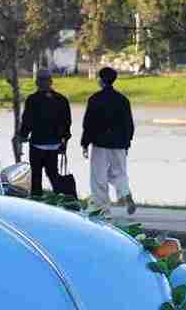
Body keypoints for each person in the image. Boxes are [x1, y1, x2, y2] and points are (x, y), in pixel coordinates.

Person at [81, 66, 137, 214]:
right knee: (119, 173)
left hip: (100, 144)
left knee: (98, 176)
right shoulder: (123, 100)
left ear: (101, 80)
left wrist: (85, 143)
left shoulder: (95, 99)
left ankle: (102, 208)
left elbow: (89, 124)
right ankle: (125, 193)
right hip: (119, 144)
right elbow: (129, 124)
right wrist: (127, 143)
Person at [15, 71, 71, 196]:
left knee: (36, 175)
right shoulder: (61, 100)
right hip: (54, 145)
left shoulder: (32, 100)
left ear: (37, 82)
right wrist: (64, 141)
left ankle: (37, 199)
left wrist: (22, 136)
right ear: (51, 82)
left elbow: (27, 121)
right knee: (53, 174)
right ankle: (62, 197)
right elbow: (67, 123)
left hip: (37, 144)